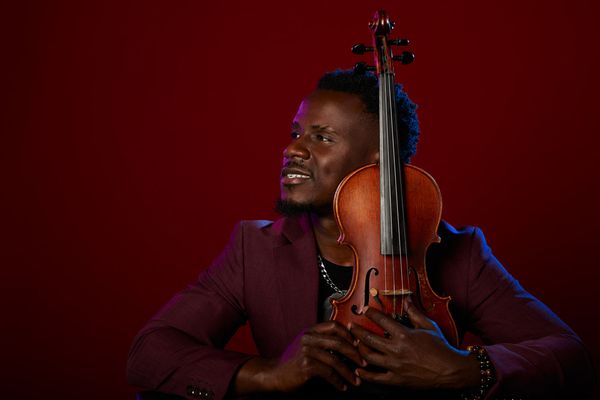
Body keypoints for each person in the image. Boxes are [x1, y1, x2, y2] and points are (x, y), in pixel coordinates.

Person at [127, 70, 595, 400]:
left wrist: (461, 369)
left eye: (322, 137)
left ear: (378, 164)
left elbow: (570, 356)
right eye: (296, 133)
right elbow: (150, 352)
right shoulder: (256, 248)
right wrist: (266, 374)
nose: (292, 149)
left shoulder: (456, 252)